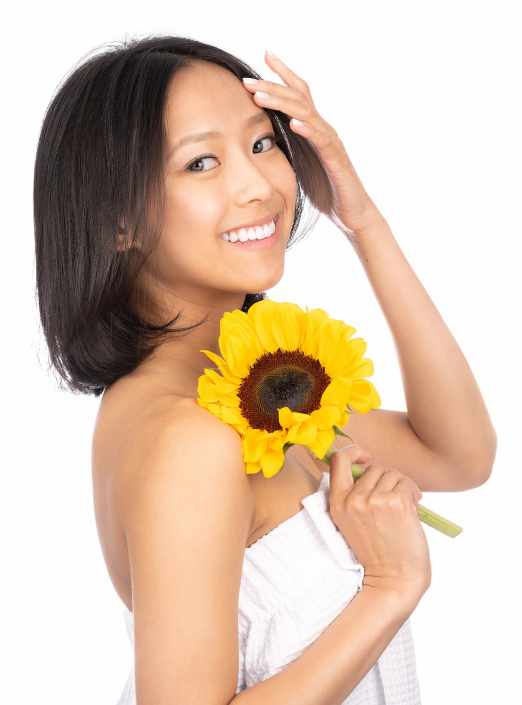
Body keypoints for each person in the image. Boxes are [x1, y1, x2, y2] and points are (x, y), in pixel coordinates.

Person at [33, 35, 497, 705]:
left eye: (261, 143)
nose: (258, 186)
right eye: (200, 163)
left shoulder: (243, 388)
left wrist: (360, 220)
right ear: (118, 221)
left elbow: (458, 454)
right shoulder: (189, 437)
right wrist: (388, 589)